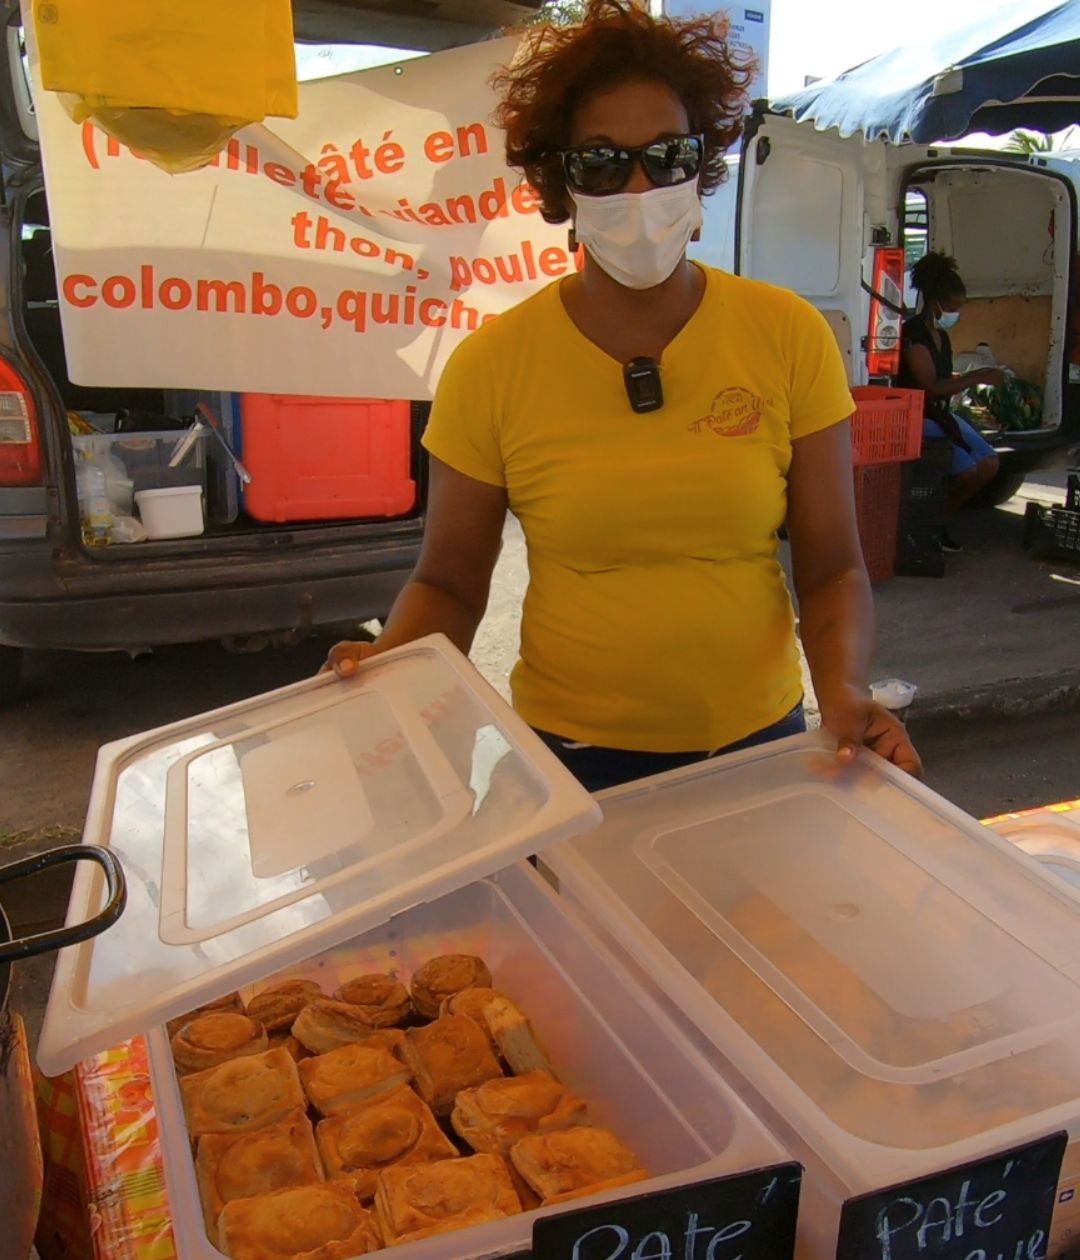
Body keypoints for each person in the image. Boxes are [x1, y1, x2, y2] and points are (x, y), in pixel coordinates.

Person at [326, 0, 921, 791]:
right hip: (571, 762)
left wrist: (843, 690)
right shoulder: (491, 365)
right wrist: (392, 669)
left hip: (759, 744)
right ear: (560, 184)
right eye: (602, 162)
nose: (640, 186)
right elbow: (449, 582)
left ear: (701, 165)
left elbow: (831, 565)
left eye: (667, 155)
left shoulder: (788, 334)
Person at [898, 251, 1003, 552]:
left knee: (990, 463)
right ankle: (929, 526)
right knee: (968, 471)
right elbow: (930, 386)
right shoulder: (915, 335)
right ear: (936, 302)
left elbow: (944, 378)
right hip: (919, 417)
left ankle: (935, 522)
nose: (957, 313)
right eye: (954, 307)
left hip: (940, 415)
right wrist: (976, 378)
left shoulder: (941, 338)